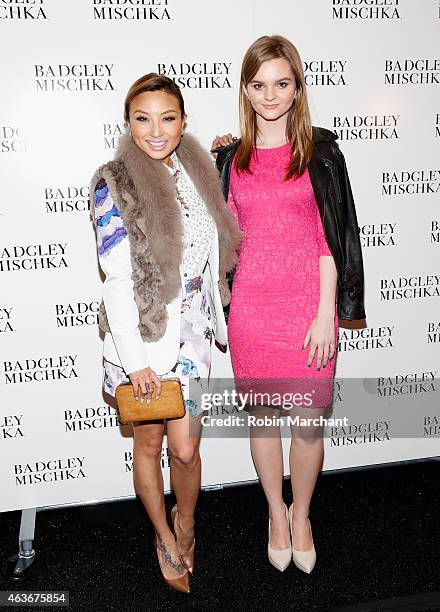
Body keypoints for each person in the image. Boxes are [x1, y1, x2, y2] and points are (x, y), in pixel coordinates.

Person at [211, 35, 366, 574]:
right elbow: (214, 231)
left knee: (306, 424)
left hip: (307, 309)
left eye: (281, 83)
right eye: (259, 85)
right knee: (264, 421)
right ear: (246, 90)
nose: (270, 95)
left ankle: (303, 514)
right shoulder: (230, 157)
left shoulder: (321, 152)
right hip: (252, 308)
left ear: (298, 86)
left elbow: (333, 237)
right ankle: (276, 513)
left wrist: (327, 312)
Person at [90, 73, 241, 593]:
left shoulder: (201, 169)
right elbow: (116, 283)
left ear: (183, 121)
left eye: (168, 118)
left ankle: (188, 522)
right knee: (150, 445)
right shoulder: (113, 182)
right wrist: (136, 362)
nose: (156, 130)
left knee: (186, 451)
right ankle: (162, 536)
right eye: (142, 118)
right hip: (144, 339)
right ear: (128, 123)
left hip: (195, 334)